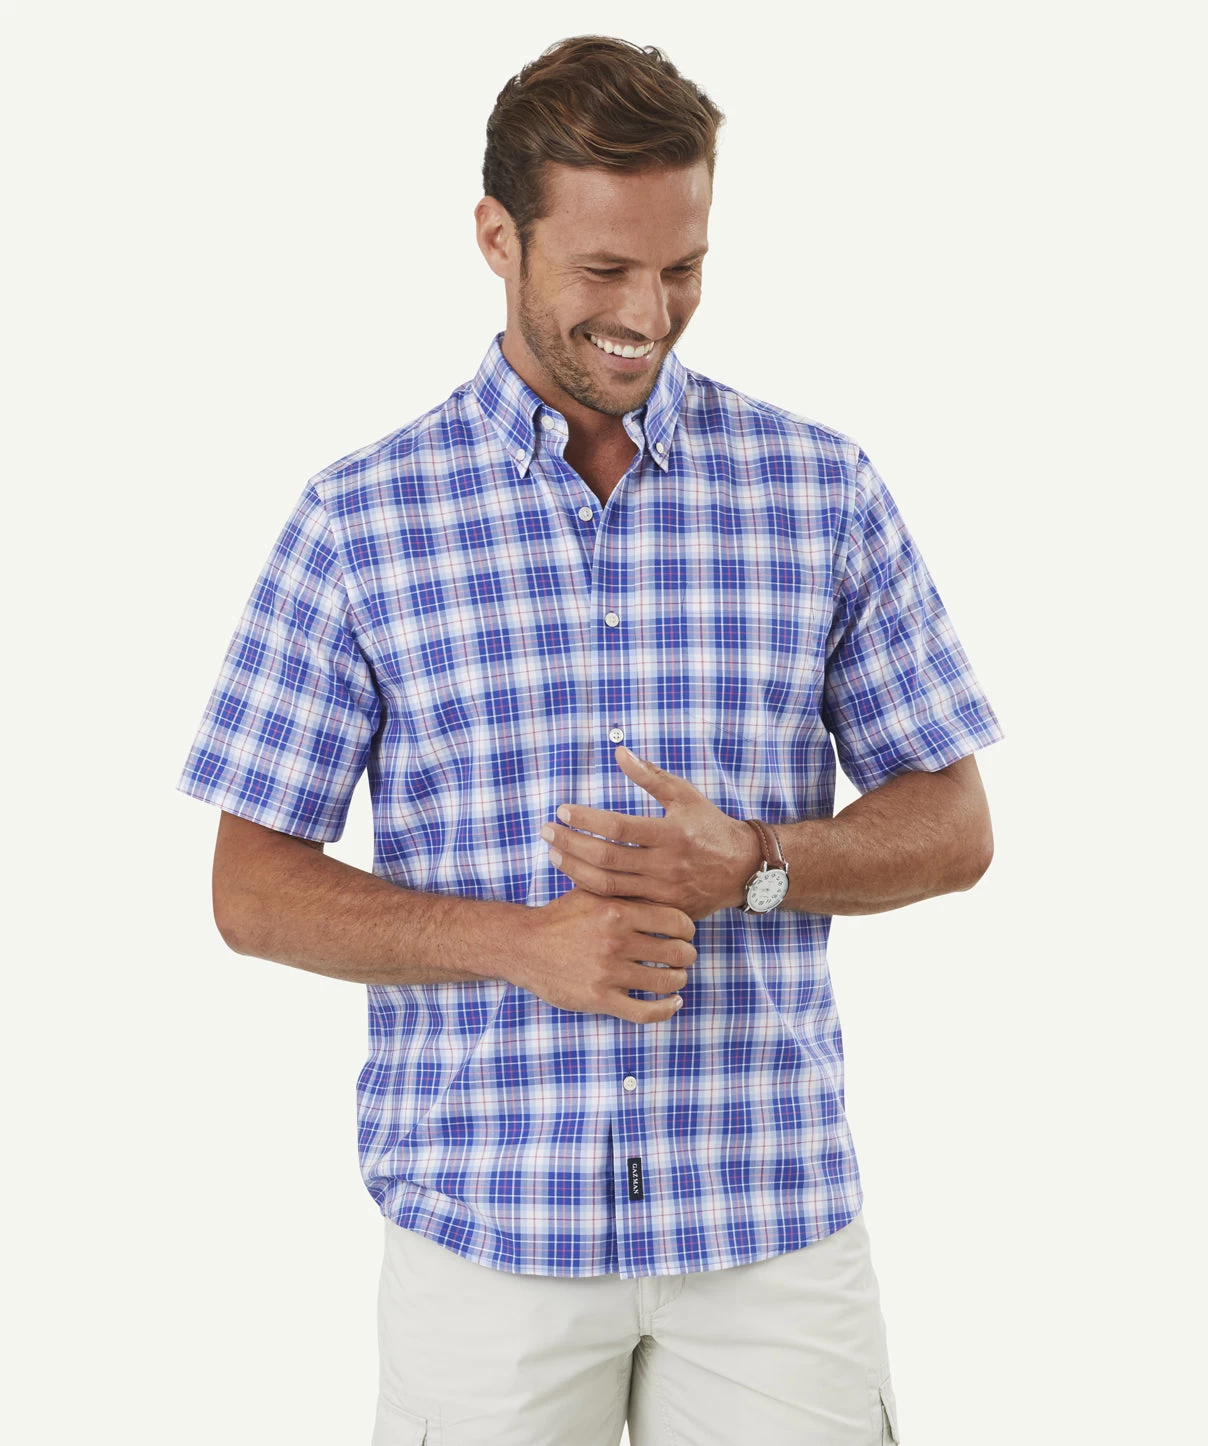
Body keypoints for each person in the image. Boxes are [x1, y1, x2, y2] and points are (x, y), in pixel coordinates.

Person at [177, 33, 1004, 1446]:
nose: (648, 314)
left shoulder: (820, 490)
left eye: (683, 268)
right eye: (604, 270)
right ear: (497, 237)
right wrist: (521, 945)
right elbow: (250, 888)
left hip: (769, 1225)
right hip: (486, 1234)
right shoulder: (359, 522)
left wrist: (755, 862)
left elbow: (955, 823)